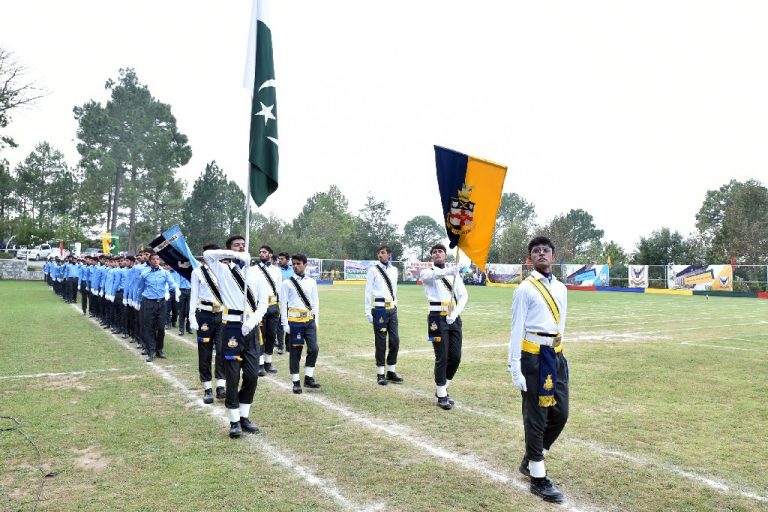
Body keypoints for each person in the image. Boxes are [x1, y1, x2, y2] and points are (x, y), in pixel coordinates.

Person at [508, 236, 569, 504]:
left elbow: (561, 322)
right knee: (536, 417)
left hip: (555, 356)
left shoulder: (562, 288)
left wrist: (560, 355)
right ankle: (537, 477)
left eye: (545, 250)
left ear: (553, 256)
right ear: (530, 258)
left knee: (560, 413)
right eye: (536, 251)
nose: (541, 253)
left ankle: (532, 458)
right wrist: (514, 366)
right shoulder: (525, 289)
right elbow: (516, 328)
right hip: (533, 356)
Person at [203, 235, 268, 438]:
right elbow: (207, 255)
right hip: (231, 327)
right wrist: (234, 255)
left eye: (243, 245)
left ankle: (244, 415)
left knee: (252, 375)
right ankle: (234, 421)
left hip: (250, 327)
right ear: (229, 249)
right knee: (232, 375)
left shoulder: (256, 273)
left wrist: (251, 322)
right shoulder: (222, 270)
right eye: (236, 245)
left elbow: (263, 303)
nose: (240, 247)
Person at [420, 243, 468, 410]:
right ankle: (441, 394)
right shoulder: (427, 272)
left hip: (453, 317)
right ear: (431, 256)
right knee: (442, 356)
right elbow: (435, 275)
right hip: (436, 319)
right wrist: (451, 270)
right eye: (434, 252)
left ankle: (443, 388)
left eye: (440, 251)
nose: (437, 254)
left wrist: (455, 314)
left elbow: (463, 295)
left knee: (456, 357)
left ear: (445, 255)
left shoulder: (454, 274)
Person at [189, 245, 227, 404]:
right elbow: (194, 295)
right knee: (205, 352)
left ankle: (221, 386)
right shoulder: (197, 272)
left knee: (222, 350)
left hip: (222, 314)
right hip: (204, 314)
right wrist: (192, 316)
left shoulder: (224, 271)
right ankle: (207, 388)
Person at [280, 253, 320, 395]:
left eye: (299, 264)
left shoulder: (311, 282)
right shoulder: (287, 283)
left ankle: (308, 377)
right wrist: (285, 324)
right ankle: (296, 382)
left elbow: (315, 302)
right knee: (295, 352)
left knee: (314, 349)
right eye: (294, 264)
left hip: (309, 321)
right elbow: (283, 304)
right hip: (295, 322)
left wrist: (316, 320)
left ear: (305, 264)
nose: (296, 266)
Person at [364, 245, 403, 385]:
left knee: (395, 340)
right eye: (379, 253)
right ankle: (380, 374)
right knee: (381, 342)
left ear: (389, 254)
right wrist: (368, 311)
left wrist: (395, 303)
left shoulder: (394, 270)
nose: (380, 255)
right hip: (379, 309)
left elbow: (394, 289)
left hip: (392, 309)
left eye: (382, 253)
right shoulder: (373, 270)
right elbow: (368, 291)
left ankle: (391, 371)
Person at [135, 253, 176, 362]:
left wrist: (176, 290)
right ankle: (150, 351)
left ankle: (159, 350)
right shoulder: (144, 274)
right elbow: (140, 288)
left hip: (161, 303)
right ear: (149, 261)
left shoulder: (165, 273)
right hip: (148, 302)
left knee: (161, 328)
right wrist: (137, 302)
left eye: (157, 259)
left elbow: (172, 283)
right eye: (153, 259)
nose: (156, 261)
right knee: (149, 327)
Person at [255, 245, 282, 375]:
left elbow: (279, 289)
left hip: (273, 305)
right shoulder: (255, 269)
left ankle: (268, 362)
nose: (261, 254)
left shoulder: (277, 270)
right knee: (261, 335)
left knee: (271, 335)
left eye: (264, 252)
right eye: (260, 252)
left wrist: (279, 306)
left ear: (270, 254)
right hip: (260, 306)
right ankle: (260, 364)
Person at [275, 251, 294, 354]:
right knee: (281, 323)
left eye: (282, 259)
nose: (280, 260)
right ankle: (280, 346)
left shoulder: (293, 270)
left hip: (291, 300)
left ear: (287, 260)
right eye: (279, 259)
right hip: (280, 300)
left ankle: (288, 345)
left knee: (290, 322)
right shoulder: (277, 270)